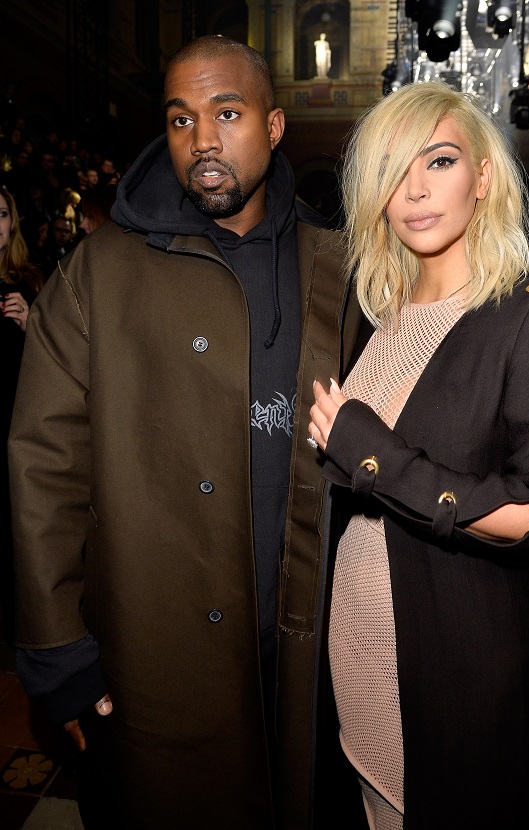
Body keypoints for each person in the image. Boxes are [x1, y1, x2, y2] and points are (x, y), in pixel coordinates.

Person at [9, 36, 362, 829]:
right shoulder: (99, 272)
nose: (201, 139)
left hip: (307, 654)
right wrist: (56, 649)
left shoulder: (335, 266)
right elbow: (43, 465)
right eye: (179, 119)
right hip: (153, 651)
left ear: (274, 126)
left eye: (226, 113)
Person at [308, 81, 529, 830]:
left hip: (462, 670)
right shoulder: (381, 316)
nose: (415, 190)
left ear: (484, 177)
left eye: (438, 161)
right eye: (393, 171)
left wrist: (372, 455)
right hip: (362, 651)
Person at [0, 185, 43, 643]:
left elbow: (57, 361)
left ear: (12, 222)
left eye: (0, 214)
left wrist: (32, 324)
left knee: (17, 530)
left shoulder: (31, 279)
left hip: (16, 422)